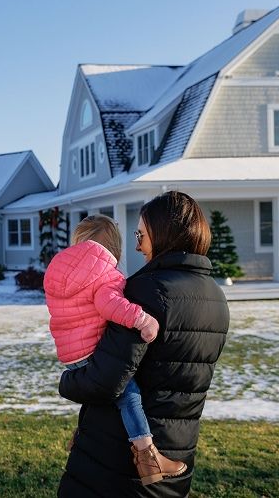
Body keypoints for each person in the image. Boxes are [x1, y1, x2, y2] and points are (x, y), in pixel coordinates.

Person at [58, 191, 229, 497]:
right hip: (177, 455)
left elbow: (106, 382)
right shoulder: (216, 298)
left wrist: (67, 382)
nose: (137, 245)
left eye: (142, 234)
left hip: (115, 464)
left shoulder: (145, 291)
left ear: (164, 234)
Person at [45, 215, 187, 485]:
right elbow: (108, 304)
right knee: (128, 395)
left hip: (69, 355)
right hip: (92, 348)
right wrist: (142, 319)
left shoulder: (59, 269)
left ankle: (81, 436)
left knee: (98, 390)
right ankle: (147, 457)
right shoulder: (105, 272)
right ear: (114, 248)